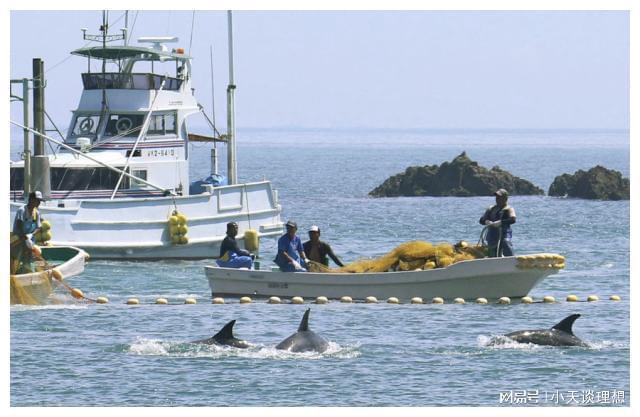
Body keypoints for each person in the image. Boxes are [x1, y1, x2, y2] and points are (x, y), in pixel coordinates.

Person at [11, 191, 44, 274]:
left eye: (40, 201)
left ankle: (27, 274)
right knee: (14, 259)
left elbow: (39, 227)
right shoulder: (22, 210)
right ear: (31, 199)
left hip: (29, 241)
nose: (39, 203)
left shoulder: (37, 213)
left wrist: (30, 235)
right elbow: (18, 225)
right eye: (38, 200)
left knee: (29, 259)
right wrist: (25, 237)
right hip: (18, 240)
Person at [479, 188, 516, 257]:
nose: (497, 199)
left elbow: (513, 219)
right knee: (492, 252)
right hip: (492, 235)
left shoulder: (509, 209)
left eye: (499, 197)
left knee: (506, 243)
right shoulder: (491, 209)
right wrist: (486, 221)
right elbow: (481, 220)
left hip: (504, 234)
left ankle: (512, 261)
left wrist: (501, 222)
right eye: (496, 197)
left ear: (505, 198)